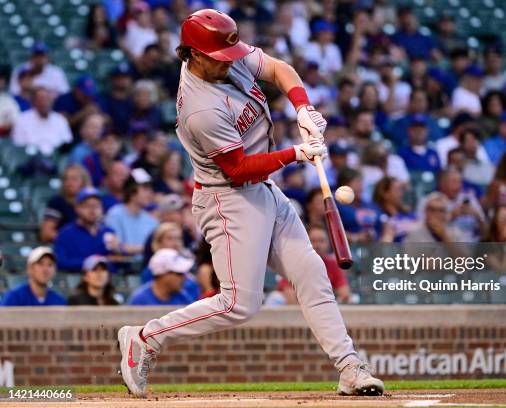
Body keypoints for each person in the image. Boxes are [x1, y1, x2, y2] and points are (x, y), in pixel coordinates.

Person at [117, 9, 383, 399]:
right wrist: (296, 153)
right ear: (192, 54)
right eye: (218, 58)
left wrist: (303, 108)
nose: (229, 63)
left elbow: (279, 69)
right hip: (227, 198)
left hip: (263, 190)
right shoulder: (200, 109)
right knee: (239, 304)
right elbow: (238, 168)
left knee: (311, 272)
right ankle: (145, 338)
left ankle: (349, 367)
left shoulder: (223, 55)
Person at [268, 226, 352, 305]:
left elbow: (345, 293)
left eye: (321, 241)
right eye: (313, 241)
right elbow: (289, 295)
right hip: (297, 306)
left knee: (351, 300)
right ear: (306, 242)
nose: (317, 245)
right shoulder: (295, 262)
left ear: (328, 243)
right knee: (275, 298)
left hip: (322, 304)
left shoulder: (333, 264)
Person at [53, 187, 118, 273]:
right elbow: (60, 262)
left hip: (106, 282)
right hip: (76, 281)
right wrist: (90, 262)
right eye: (88, 206)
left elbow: (121, 264)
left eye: (96, 205)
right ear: (77, 208)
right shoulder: (66, 233)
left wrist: (118, 251)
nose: (93, 210)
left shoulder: (109, 232)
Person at [105, 168, 159, 257]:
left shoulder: (152, 220)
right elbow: (115, 247)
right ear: (131, 192)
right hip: (123, 268)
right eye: (145, 189)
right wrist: (147, 248)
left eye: (150, 189)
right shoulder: (114, 214)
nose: (150, 193)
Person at [11, 87, 73, 155]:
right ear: (33, 102)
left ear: (52, 101)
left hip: (55, 159)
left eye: (47, 99)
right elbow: (18, 144)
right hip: (28, 158)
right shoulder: (22, 119)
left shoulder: (60, 120)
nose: (44, 103)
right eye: (40, 99)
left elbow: (67, 143)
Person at [40, 164, 92, 243]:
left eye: (74, 179)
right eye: (65, 179)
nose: (69, 183)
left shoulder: (93, 202)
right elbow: (46, 233)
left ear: (83, 181)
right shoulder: (57, 202)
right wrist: (71, 240)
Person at [128, 248, 195, 306]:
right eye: (179, 273)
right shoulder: (139, 299)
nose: (185, 277)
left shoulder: (183, 297)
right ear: (163, 274)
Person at [1, 247, 66, 306]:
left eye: (50, 265)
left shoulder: (58, 301)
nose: (45, 269)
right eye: (40, 264)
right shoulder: (15, 297)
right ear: (30, 268)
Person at [437, 168, 486, 242]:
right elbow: (430, 231)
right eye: (454, 182)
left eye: (460, 182)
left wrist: (477, 216)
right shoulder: (433, 200)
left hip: (474, 245)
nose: (458, 186)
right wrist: (451, 216)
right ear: (442, 183)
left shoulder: (469, 198)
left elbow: (486, 232)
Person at [372, 176, 416, 242]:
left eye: (401, 190)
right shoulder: (377, 216)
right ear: (385, 194)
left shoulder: (410, 214)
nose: (401, 194)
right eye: (397, 190)